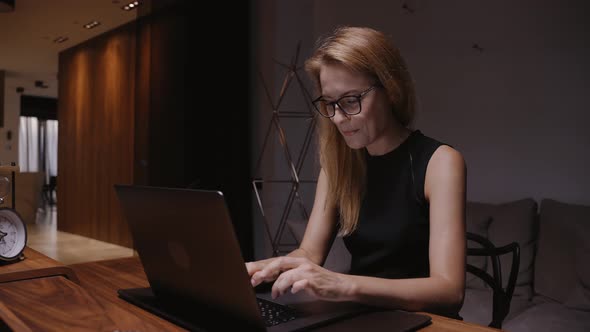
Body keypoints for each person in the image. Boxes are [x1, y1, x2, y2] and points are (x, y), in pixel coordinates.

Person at [246, 26, 466, 317]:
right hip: (362, 316)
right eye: (329, 104)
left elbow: (449, 291)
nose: (337, 118)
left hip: (423, 321)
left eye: (351, 101)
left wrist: (343, 285)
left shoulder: (441, 163)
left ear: (391, 90)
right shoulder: (339, 163)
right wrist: (258, 269)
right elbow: (309, 254)